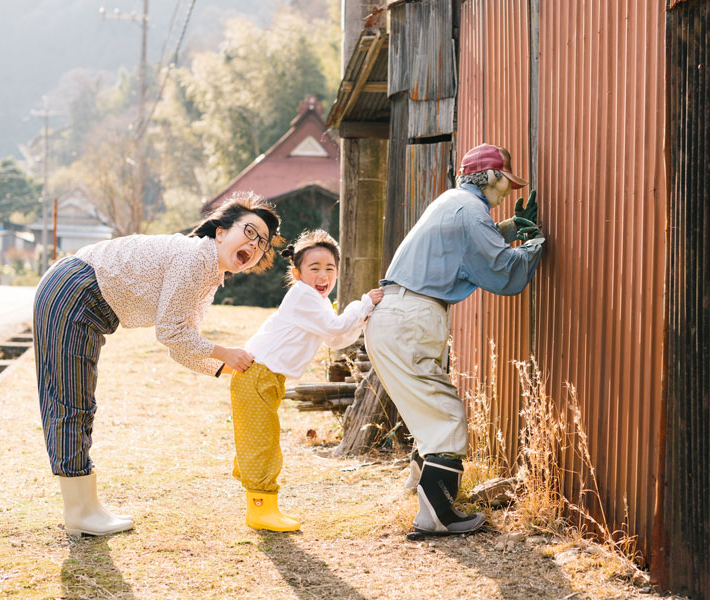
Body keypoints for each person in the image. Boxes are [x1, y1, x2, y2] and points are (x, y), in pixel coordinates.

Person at [33, 191, 281, 537]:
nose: (255, 245)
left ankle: (84, 508)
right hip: (75, 292)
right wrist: (225, 354)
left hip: (80, 297)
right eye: (250, 232)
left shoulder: (208, 274)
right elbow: (171, 332)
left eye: (263, 244)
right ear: (221, 231)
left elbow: (181, 345)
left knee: (74, 402)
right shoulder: (197, 258)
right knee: (70, 402)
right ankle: (80, 511)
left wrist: (226, 369)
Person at [365, 143, 545, 536]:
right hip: (411, 318)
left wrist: (511, 229)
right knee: (446, 416)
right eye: (505, 184)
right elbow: (501, 269)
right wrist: (532, 248)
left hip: (396, 315)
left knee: (425, 411)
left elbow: (468, 251)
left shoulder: (453, 202)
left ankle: (419, 489)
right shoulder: (471, 210)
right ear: (492, 176)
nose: (506, 194)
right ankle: (437, 516)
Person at [228, 230, 383, 531]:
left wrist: (364, 313)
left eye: (330, 268)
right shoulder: (303, 296)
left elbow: (336, 338)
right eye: (314, 268)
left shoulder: (317, 301)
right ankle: (260, 511)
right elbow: (337, 327)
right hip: (257, 375)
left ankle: (262, 508)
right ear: (297, 273)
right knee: (262, 442)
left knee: (265, 440)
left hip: (266, 377)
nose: (323, 275)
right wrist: (364, 303)